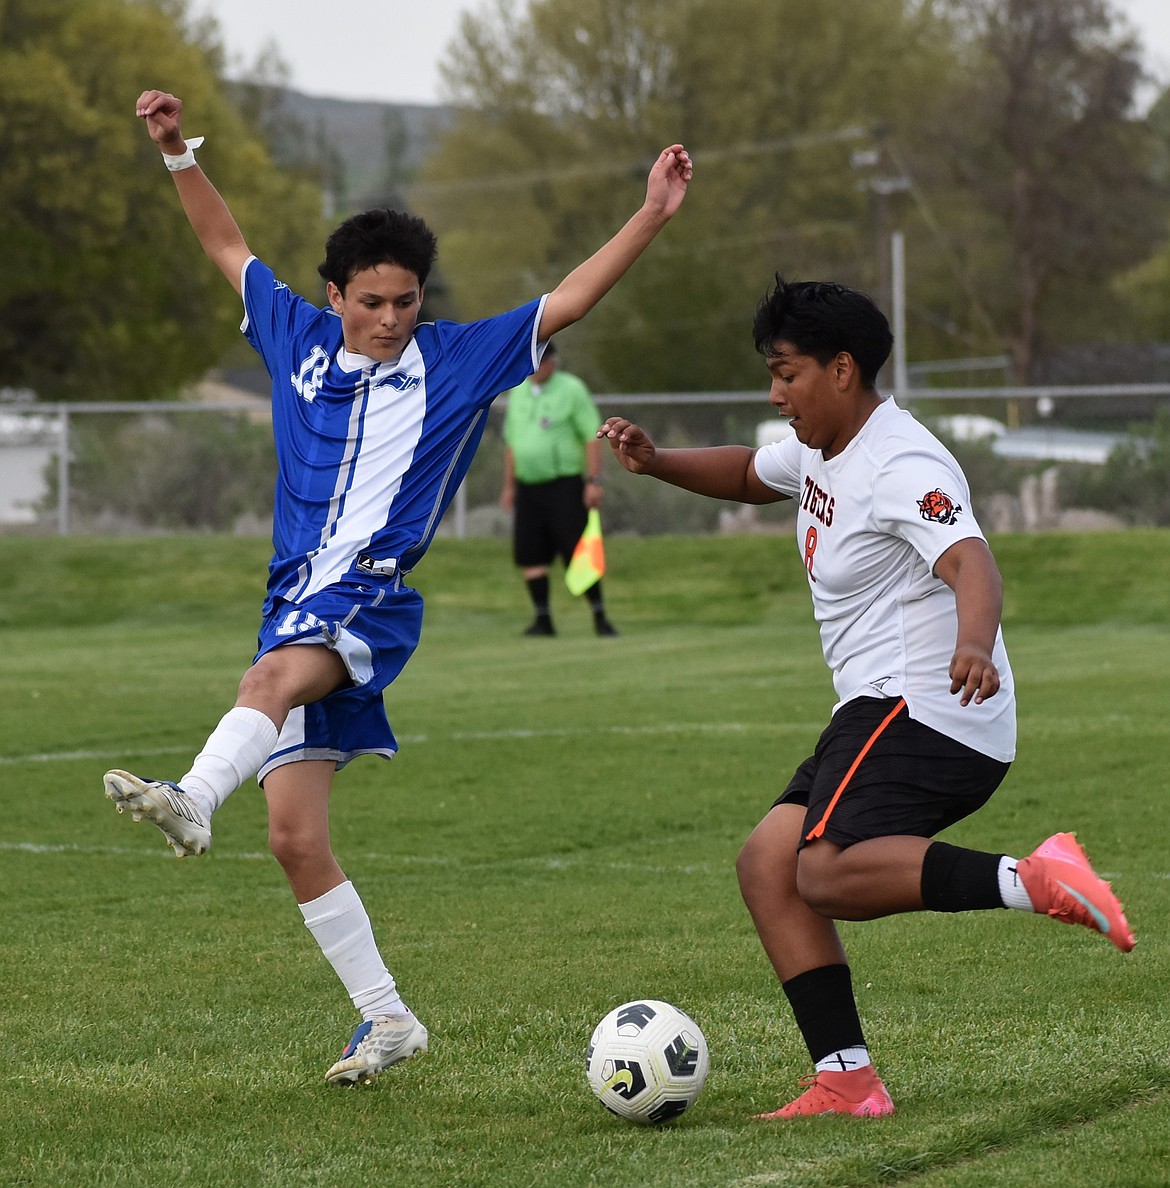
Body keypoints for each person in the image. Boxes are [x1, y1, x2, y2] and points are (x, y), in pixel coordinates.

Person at [103, 88, 691, 1086]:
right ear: (334, 296)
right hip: (293, 597)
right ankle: (388, 1020)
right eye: (369, 301)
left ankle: (192, 796)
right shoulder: (290, 339)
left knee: (267, 685)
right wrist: (175, 156)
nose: (388, 318)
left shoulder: (458, 361)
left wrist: (649, 214)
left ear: (425, 298)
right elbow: (223, 246)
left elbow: (571, 300)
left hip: (365, 600)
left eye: (405, 301)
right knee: (294, 838)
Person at [599, 275, 1134, 1119]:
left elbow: (971, 559)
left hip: (928, 706)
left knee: (825, 872)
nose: (776, 394)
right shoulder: (821, 446)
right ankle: (847, 1080)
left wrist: (971, 642)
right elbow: (747, 473)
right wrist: (656, 460)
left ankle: (1036, 878)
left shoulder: (901, 460)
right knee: (768, 865)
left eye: (788, 373)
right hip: (880, 707)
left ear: (842, 369)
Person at [500, 341, 617, 636]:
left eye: (541, 361)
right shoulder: (518, 391)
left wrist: (593, 481)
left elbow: (592, 437)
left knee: (577, 550)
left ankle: (600, 617)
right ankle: (543, 619)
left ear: (553, 362)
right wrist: (509, 485)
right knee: (531, 553)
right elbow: (513, 443)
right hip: (528, 487)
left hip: (563, 485)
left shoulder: (571, 389)